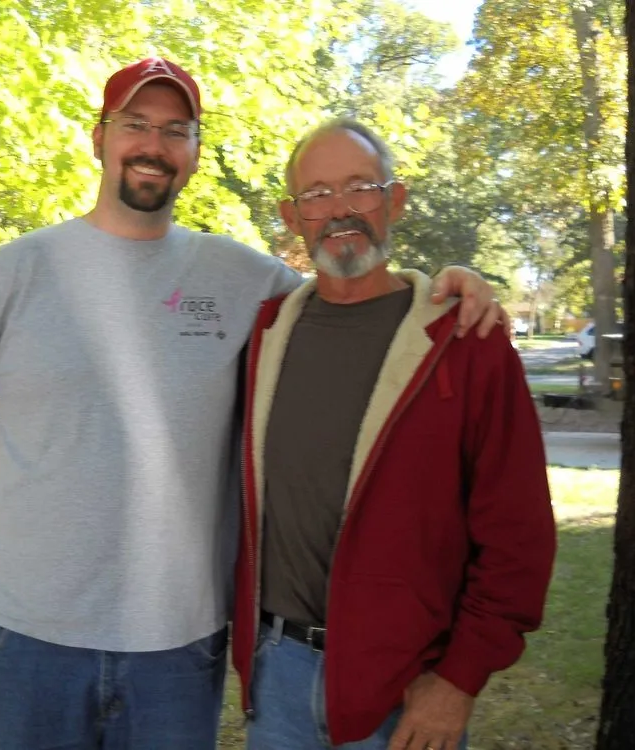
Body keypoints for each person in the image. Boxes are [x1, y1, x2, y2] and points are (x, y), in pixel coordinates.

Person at [0, 58, 505, 750]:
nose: (153, 145)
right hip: (26, 632)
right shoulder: (17, 269)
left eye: (175, 130)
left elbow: (353, 280)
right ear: (99, 138)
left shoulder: (243, 278)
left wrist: (449, 282)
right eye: (135, 125)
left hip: (178, 643)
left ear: (193, 154)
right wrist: (19, 490)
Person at [230, 116, 557, 750]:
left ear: (395, 201)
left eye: (360, 187)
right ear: (292, 216)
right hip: (279, 679)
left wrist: (458, 681)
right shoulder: (263, 335)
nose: (340, 210)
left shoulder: (464, 341)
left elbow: (518, 536)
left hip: (408, 687)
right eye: (317, 194)